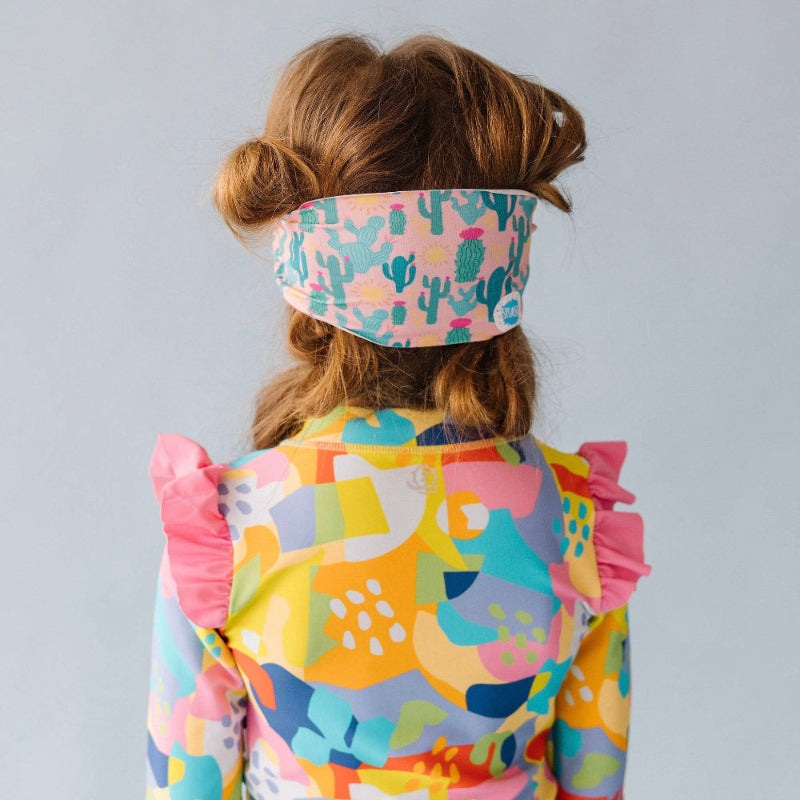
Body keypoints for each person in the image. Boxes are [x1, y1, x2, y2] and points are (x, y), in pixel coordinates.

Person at [145, 33, 651, 800]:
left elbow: (185, 785)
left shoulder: (230, 529)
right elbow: (597, 779)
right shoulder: (577, 519)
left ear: (302, 269)